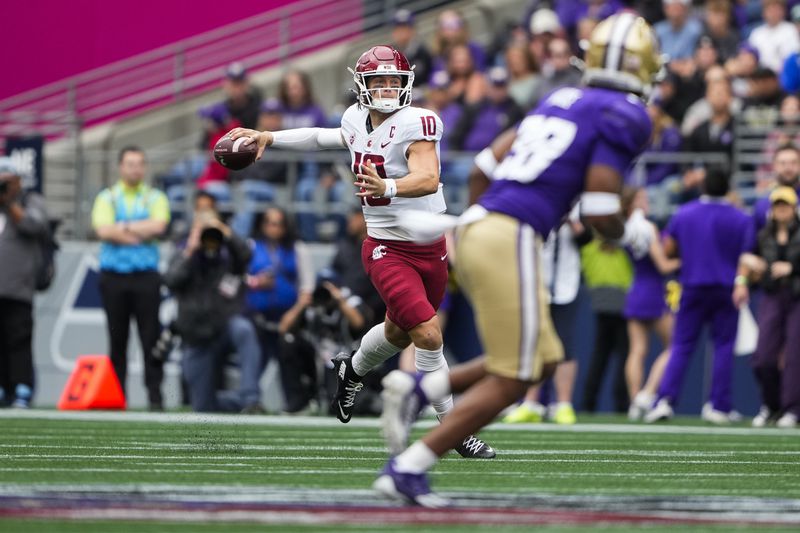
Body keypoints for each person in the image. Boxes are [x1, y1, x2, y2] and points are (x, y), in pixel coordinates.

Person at [371, 12, 661, 505]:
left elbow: (485, 163)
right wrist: (629, 233)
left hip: (481, 226)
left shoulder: (560, 96)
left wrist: (485, 219)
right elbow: (598, 208)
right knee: (512, 378)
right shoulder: (626, 113)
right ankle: (407, 467)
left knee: (541, 362)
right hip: (511, 235)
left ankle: (419, 391)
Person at [228, 44, 495, 459]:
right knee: (427, 334)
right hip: (386, 245)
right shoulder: (354, 118)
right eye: (379, 81)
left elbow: (427, 177)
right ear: (362, 85)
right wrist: (269, 136)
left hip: (430, 245)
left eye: (394, 80)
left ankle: (350, 369)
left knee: (397, 331)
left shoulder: (419, 121)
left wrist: (387, 186)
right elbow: (322, 138)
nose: (387, 89)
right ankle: (455, 430)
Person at [645, 168, 755, 424]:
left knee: (681, 346)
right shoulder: (740, 217)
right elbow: (746, 256)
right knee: (724, 347)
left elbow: (669, 248)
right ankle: (719, 406)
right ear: (727, 188)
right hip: (726, 288)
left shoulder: (684, 213)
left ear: (703, 187)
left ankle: (664, 401)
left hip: (693, 285)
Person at [91, 146, 170, 410]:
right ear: (120, 167)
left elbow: (159, 226)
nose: (135, 168)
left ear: (145, 167)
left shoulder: (155, 196)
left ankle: (155, 398)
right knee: (117, 340)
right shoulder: (108, 197)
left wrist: (121, 227)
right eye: (130, 163)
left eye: (139, 163)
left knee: (151, 340)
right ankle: (117, 397)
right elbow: (102, 231)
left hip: (146, 277)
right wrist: (139, 232)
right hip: (114, 277)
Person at [164, 209, 262, 413]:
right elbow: (171, 281)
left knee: (244, 329)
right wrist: (190, 251)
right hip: (197, 334)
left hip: (224, 325)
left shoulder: (227, 254)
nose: (209, 236)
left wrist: (225, 232)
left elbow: (246, 255)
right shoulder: (184, 251)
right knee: (203, 406)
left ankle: (251, 398)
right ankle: (239, 403)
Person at [503, 207, 589, 425]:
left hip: (566, 283)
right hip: (535, 281)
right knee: (533, 342)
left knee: (564, 344)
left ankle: (563, 404)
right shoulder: (539, 201)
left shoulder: (580, 206)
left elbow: (588, 240)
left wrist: (571, 220)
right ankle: (531, 403)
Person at [734, 187, 800, 429]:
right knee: (763, 357)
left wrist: (791, 269)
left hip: (796, 296)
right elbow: (747, 261)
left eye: (786, 205)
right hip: (772, 295)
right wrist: (742, 281)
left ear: (794, 208)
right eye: (778, 205)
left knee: (794, 356)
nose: (781, 209)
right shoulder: (763, 235)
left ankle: (793, 409)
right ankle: (772, 405)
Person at [277, 271, 375, 414]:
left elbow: (358, 323)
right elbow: (283, 328)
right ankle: (297, 401)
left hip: (345, 360)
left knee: (337, 404)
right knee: (288, 341)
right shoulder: (313, 304)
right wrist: (300, 305)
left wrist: (340, 301)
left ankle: (365, 399)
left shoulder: (351, 301)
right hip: (317, 359)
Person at [621, 188, 680, 421]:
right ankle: (647, 393)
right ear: (631, 203)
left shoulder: (626, 228)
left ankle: (635, 401)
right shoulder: (648, 227)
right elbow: (663, 265)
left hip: (636, 289)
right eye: (642, 199)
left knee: (637, 349)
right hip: (654, 290)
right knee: (675, 346)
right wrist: (687, 260)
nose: (646, 202)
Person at [246, 207, 314, 395]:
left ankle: (294, 401)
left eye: (278, 224)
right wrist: (255, 282)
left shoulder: (298, 249)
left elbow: (307, 287)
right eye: (268, 223)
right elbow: (238, 278)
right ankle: (250, 400)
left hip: (289, 318)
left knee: (289, 361)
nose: (273, 228)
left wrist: (293, 314)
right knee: (255, 360)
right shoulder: (251, 246)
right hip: (258, 318)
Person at [0, 157, 49, 408]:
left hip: (19, 288)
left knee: (18, 340)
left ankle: (22, 388)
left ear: (18, 181)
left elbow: (35, 225)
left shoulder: (31, 200)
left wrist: (9, 203)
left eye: (7, 181)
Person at [753, 143, 800, 234]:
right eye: (782, 163)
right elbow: (752, 245)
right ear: (774, 166)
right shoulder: (762, 205)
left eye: (793, 162)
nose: (788, 168)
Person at [747, 0, 800, 76]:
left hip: (782, 74)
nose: (773, 13)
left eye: (776, 9)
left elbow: (792, 58)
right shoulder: (756, 33)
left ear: (783, 11)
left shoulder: (791, 30)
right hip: (759, 74)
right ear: (763, 12)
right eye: (769, 9)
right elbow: (750, 57)